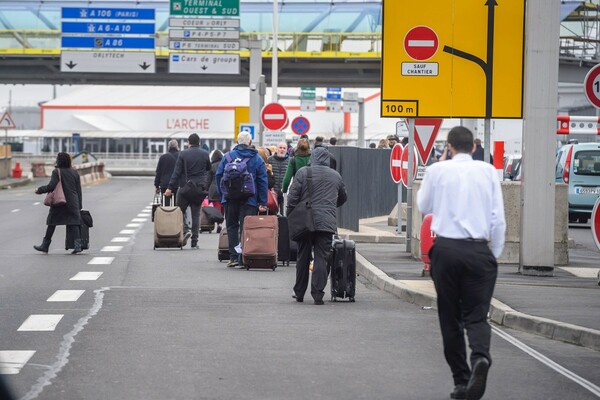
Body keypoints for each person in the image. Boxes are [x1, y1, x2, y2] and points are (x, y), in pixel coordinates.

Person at [416, 126, 506, 400]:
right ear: (474, 148)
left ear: (449, 147)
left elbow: (424, 206)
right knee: (476, 314)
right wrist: (494, 253)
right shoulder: (489, 172)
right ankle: (480, 356)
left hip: (447, 250)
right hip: (479, 251)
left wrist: (439, 166)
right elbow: (497, 218)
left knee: (450, 318)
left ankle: (461, 380)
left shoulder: (437, 170)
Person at [287, 146, 347, 305]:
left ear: (312, 158)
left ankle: (299, 293)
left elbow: (292, 197)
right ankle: (318, 294)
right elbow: (342, 198)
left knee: (303, 257)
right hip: (326, 222)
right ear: (327, 159)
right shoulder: (336, 176)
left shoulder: (303, 173)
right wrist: (329, 207)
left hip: (305, 221)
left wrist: (291, 215)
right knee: (322, 258)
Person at [216, 131, 269, 267]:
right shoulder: (256, 158)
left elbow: (218, 176)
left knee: (232, 226)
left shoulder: (227, 157)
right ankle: (243, 256)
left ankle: (233, 256)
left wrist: (222, 195)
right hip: (249, 200)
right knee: (247, 228)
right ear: (250, 143)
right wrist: (262, 202)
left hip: (230, 198)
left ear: (237, 142)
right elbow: (263, 181)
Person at [164, 133, 212, 249]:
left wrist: (170, 188)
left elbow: (177, 172)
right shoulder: (205, 154)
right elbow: (208, 169)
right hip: (199, 189)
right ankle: (194, 242)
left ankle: (185, 230)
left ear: (188, 142)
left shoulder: (183, 154)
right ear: (199, 142)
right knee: (196, 215)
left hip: (185, 188)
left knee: (180, 211)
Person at [34, 152, 84, 254]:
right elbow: (79, 190)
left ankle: (45, 245)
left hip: (60, 202)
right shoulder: (75, 172)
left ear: (59, 161)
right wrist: (79, 205)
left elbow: (51, 186)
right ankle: (77, 246)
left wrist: (39, 190)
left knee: (52, 222)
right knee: (74, 223)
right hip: (73, 202)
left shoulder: (57, 171)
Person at [154, 139, 181, 206]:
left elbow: (158, 172)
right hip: (177, 184)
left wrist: (157, 185)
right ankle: (176, 216)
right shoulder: (181, 156)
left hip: (164, 184)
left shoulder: (163, 157)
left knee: (165, 205)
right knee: (177, 205)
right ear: (177, 147)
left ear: (168, 147)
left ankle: (166, 215)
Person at [205, 149, 224, 233]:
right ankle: (221, 222)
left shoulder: (211, 166)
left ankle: (219, 223)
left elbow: (208, 180)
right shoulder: (225, 165)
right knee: (223, 206)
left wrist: (205, 190)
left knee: (217, 207)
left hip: (214, 188)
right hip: (224, 188)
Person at [268, 142, 289, 215]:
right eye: (280, 147)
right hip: (273, 193)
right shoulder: (270, 160)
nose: (282, 150)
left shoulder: (290, 161)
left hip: (285, 193)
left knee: (284, 215)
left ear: (287, 150)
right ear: (276, 149)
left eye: (284, 148)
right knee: (272, 215)